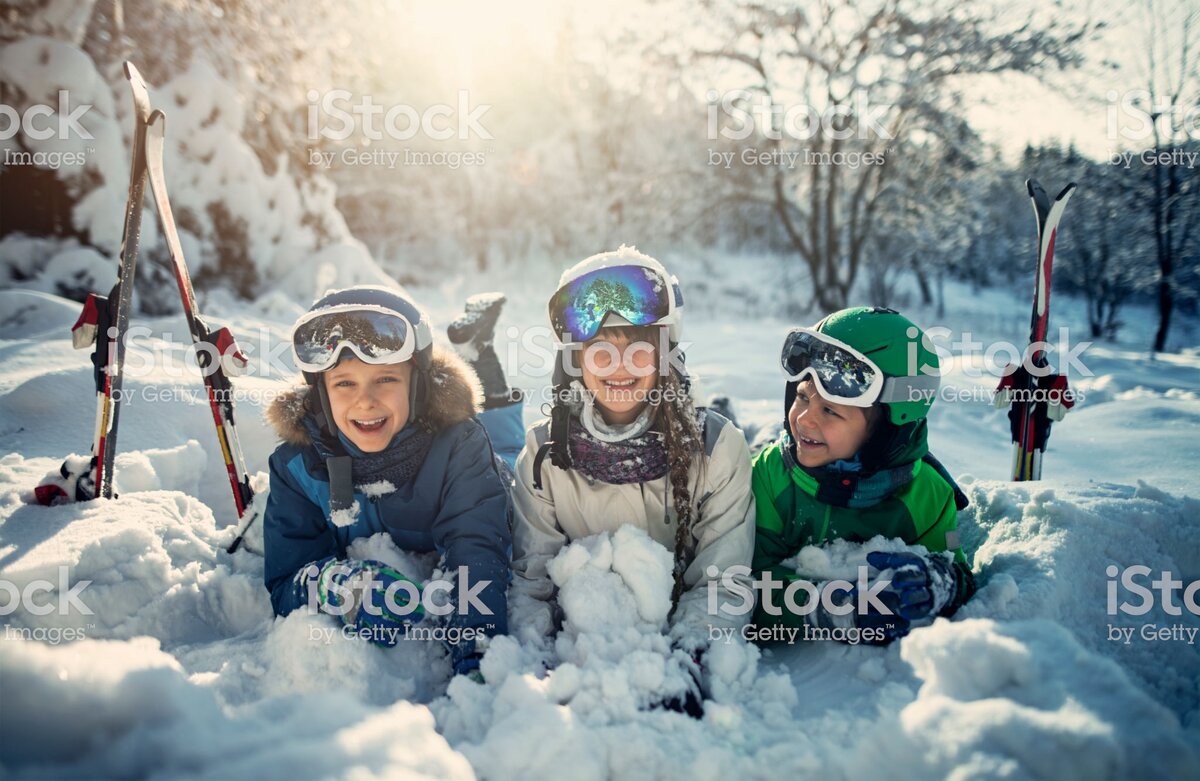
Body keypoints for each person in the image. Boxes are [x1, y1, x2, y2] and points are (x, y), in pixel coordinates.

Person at [511, 246, 756, 717]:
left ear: (665, 356)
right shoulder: (543, 456)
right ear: (575, 362)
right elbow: (530, 583)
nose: (619, 367)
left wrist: (691, 655)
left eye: (638, 350)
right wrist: (536, 660)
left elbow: (723, 582)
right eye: (601, 352)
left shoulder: (717, 449)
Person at [262, 285, 521, 680]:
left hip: (484, 467)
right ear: (320, 394)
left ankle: (478, 351)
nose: (365, 400)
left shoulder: (460, 444)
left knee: (506, 450)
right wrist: (337, 587)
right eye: (344, 383)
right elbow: (286, 579)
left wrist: (476, 646)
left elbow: (477, 548)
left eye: (385, 379)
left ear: (417, 387)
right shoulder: (297, 467)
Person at [751, 306, 975, 644]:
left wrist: (937, 582)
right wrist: (828, 608)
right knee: (752, 449)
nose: (805, 419)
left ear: (887, 428)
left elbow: (959, 572)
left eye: (830, 410)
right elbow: (746, 578)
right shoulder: (770, 476)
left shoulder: (928, 497)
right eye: (801, 396)